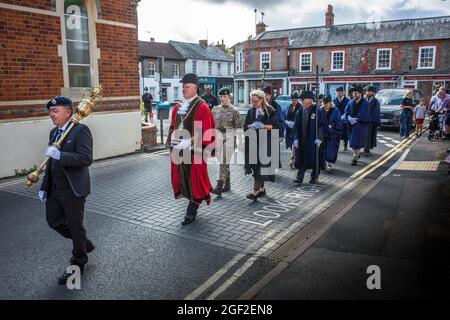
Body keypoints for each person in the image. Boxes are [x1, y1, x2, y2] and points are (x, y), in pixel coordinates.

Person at [39, 96, 95, 285]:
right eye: (50, 111)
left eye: (55, 111)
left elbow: (86, 158)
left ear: (68, 112)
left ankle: (78, 263)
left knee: (75, 226)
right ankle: (84, 243)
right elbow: (49, 163)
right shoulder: (54, 132)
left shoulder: (80, 130)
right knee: (54, 221)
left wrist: (61, 155)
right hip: (55, 189)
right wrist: (44, 187)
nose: (51, 114)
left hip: (73, 189)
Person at [166, 73, 216, 225]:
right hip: (180, 152)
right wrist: (172, 142)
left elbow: (204, 133)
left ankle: (191, 211)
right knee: (183, 178)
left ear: (195, 88)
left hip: (196, 152)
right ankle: (201, 194)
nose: (183, 89)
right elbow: (173, 127)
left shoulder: (202, 107)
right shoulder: (177, 107)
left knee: (196, 180)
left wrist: (187, 142)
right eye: (183, 87)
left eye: (186, 87)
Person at [244, 90, 279, 201]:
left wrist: (262, 126)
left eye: (255, 101)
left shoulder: (270, 111)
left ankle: (254, 192)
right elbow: (245, 125)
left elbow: (275, 126)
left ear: (262, 100)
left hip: (265, 142)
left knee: (260, 167)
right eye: (251, 101)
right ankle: (262, 189)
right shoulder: (250, 111)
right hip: (253, 142)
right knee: (256, 167)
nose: (253, 103)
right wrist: (249, 126)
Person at [292, 91, 329, 184]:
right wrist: (296, 138)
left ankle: (314, 177)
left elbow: (321, 125)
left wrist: (320, 138)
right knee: (302, 158)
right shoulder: (299, 112)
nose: (300, 101)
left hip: (313, 140)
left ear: (309, 100)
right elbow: (296, 126)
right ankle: (299, 178)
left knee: (315, 159)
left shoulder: (318, 111)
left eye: (302, 99)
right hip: (302, 139)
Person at [210, 87, 241, 196]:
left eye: (225, 97)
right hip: (218, 138)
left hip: (229, 138)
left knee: (223, 161)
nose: (223, 99)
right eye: (221, 97)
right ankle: (227, 184)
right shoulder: (215, 109)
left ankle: (220, 185)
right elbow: (211, 125)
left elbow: (238, 127)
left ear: (229, 97)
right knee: (223, 163)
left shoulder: (234, 110)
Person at [344, 86, 371, 166]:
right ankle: (356, 154)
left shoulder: (365, 103)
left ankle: (354, 158)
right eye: (353, 93)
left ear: (360, 94)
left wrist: (355, 119)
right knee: (352, 142)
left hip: (360, 125)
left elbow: (364, 114)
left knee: (356, 143)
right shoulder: (350, 102)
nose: (354, 95)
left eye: (356, 93)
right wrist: (348, 117)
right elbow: (346, 111)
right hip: (351, 125)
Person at [264, 86, 285, 168]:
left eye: (268, 95)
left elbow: (281, 120)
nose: (266, 97)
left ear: (270, 95)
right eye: (264, 95)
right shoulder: (260, 105)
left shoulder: (275, 106)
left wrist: (281, 134)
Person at [322, 95, 342, 173]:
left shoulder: (336, 111)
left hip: (332, 134)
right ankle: (324, 164)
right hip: (323, 134)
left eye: (327, 103)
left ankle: (329, 165)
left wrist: (332, 126)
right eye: (324, 103)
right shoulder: (320, 110)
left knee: (330, 150)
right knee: (323, 150)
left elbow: (339, 122)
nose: (325, 105)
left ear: (330, 102)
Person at [284, 92, 302, 168]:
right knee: (290, 142)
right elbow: (285, 115)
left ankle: (292, 158)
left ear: (297, 100)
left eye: (295, 100)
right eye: (292, 100)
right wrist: (286, 121)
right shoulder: (289, 106)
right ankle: (294, 157)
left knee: (294, 143)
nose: (293, 102)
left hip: (297, 128)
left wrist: (295, 123)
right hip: (289, 128)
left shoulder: (300, 107)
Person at [363, 86, 381, 156]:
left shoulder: (375, 101)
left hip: (370, 121)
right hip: (363, 121)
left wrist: (370, 118)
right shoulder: (364, 99)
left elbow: (376, 112)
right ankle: (365, 149)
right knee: (363, 136)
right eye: (367, 91)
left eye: (369, 92)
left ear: (372, 93)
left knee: (368, 136)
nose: (367, 93)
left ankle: (366, 150)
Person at [333, 86, 350, 151]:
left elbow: (348, 110)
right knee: (337, 133)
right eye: (337, 93)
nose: (338, 94)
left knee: (345, 134)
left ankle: (345, 145)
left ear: (343, 93)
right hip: (336, 120)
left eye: (339, 93)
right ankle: (336, 145)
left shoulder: (347, 101)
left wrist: (343, 116)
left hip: (344, 120)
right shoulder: (334, 101)